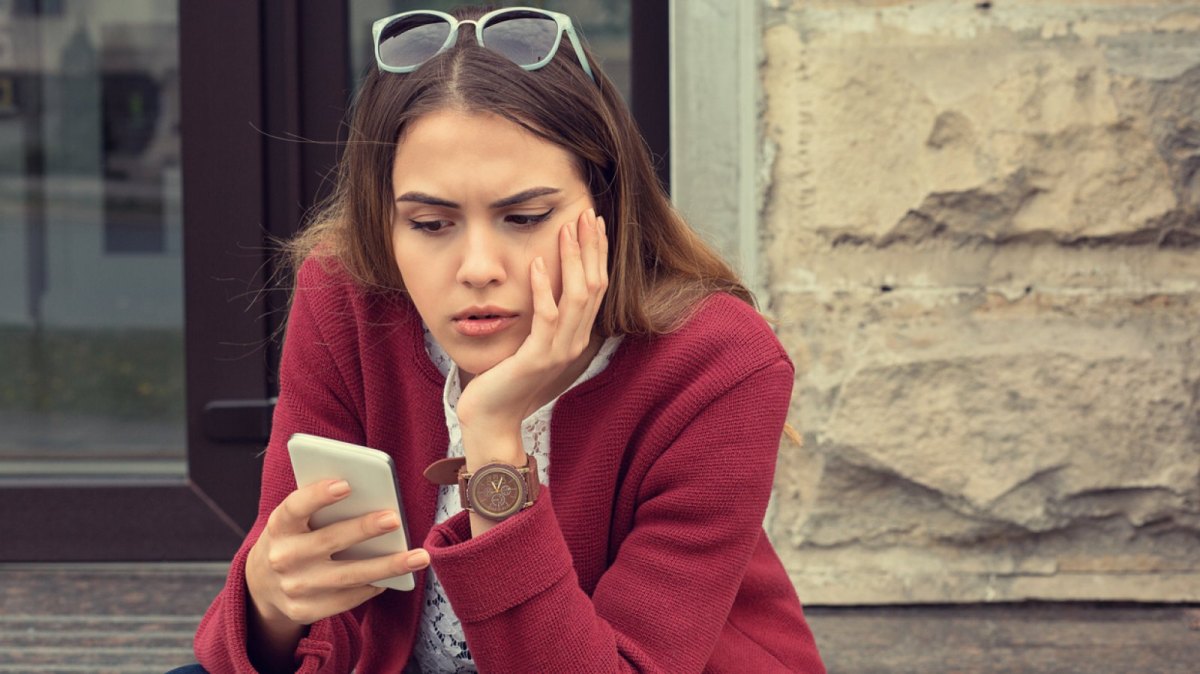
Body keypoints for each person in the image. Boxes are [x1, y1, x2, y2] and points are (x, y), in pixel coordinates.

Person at [189, 5, 825, 673]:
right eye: (431, 224)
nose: (478, 268)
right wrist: (270, 605)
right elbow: (257, 646)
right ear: (387, 220)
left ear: (604, 202)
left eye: (524, 216)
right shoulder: (349, 300)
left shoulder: (717, 361)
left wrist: (494, 434)